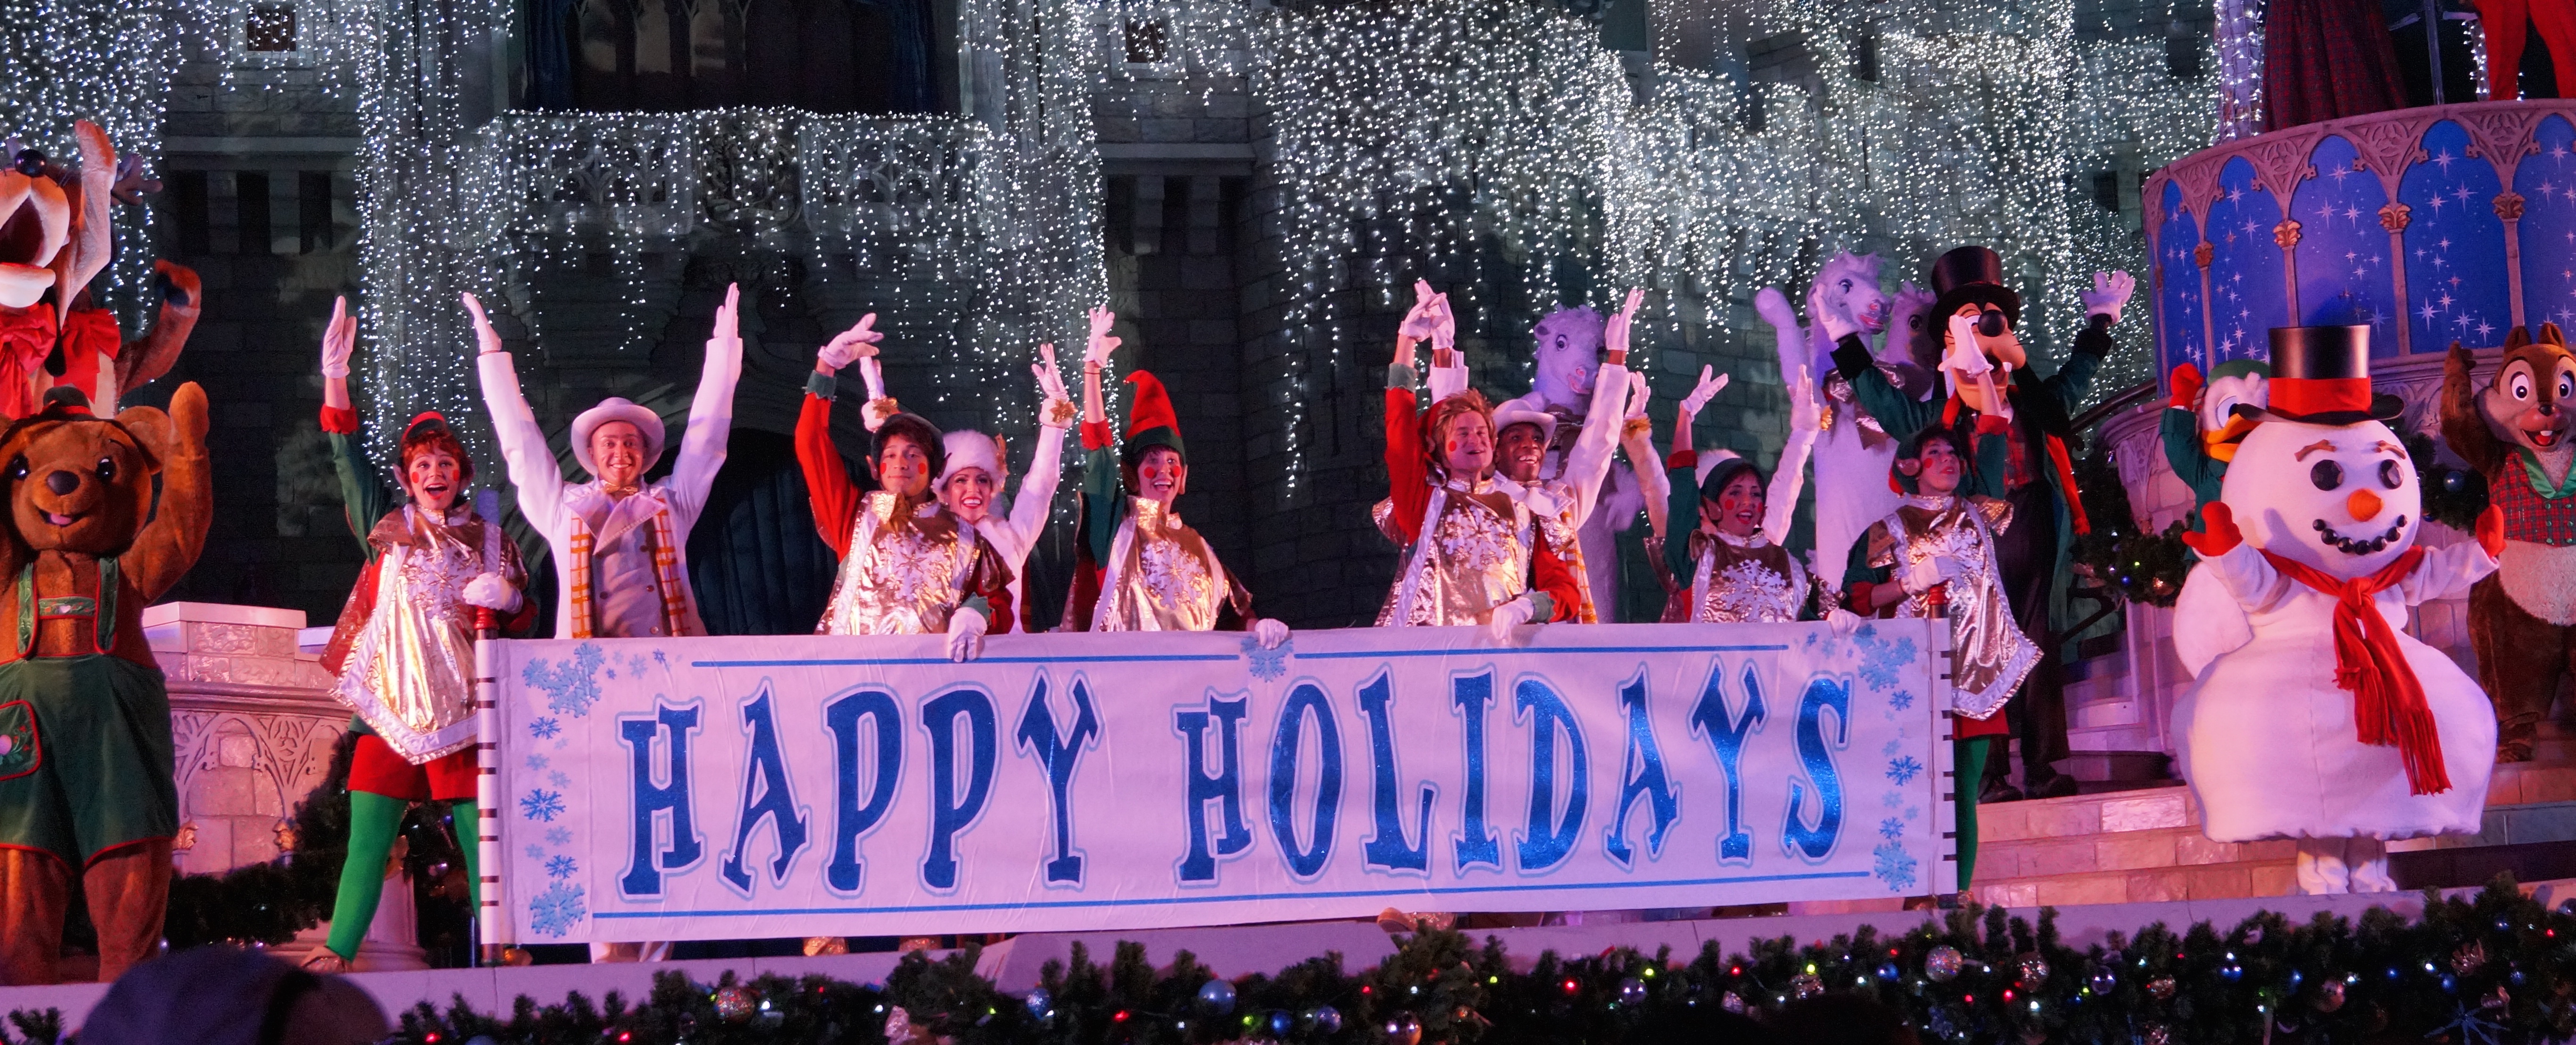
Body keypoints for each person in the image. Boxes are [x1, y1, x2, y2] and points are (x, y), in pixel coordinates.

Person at [470, 287, 742, 962]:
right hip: (589, 685)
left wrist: (724, 349)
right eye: (608, 443)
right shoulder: (564, 506)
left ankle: (660, 962)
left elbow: (707, 438)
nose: (620, 451)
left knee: (671, 813)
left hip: (666, 681)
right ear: (592, 454)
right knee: (602, 816)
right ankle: (609, 960)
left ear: (645, 453)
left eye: (630, 443)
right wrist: (493, 356)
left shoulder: (670, 503)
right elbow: (521, 446)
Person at [1830, 247, 2133, 802]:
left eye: (1989, 321)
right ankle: (1989, 772)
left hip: (2033, 520)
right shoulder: (1940, 414)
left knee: (2036, 640)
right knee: (1980, 643)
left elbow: (2073, 381)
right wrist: (1845, 341)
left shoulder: (2030, 400)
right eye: (1967, 322)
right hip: (1972, 535)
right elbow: (1886, 404)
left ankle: (2042, 766)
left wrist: (2100, 321)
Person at [311, 297, 534, 972]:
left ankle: (504, 947)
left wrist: (510, 597)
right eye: (422, 468)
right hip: (387, 707)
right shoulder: (388, 527)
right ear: (407, 479)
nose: (434, 476)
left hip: (462, 711)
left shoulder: (490, 537)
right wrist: (336, 378)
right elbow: (346, 457)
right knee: (368, 840)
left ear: (461, 474)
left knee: (478, 840)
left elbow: (523, 621)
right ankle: (338, 951)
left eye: (444, 465)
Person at [1844, 421, 2030, 897]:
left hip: (1975, 673)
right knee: (1917, 794)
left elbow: (1993, 441)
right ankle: (1917, 896)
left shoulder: (1979, 512)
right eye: (1935, 453)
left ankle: (1955, 897)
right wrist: (1909, 583)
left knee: (1962, 794)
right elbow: (1856, 598)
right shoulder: (1888, 530)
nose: (1948, 459)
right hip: (1914, 678)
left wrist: (1984, 389)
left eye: (1953, 452)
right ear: (1910, 466)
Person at [1062, 307, 1285, 644]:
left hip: (1190, 676)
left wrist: (1262, 629)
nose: (1164, 470)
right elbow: (1100, 453)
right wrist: (1092, 370)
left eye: (1172, 461)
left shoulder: (1200, 548)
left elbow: (1236, 616)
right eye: (1152, 461)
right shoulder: (1116, 527)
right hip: (1123, 672)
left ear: (1184, 476)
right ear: (1132, 474)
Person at [799, 314, 1015, 657]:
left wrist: (975, 613)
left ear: (937, 469)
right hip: (855, 672)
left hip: (929, 678)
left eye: (914, 455)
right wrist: (826, 367)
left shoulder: (967, 536)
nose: (901, 463)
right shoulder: (856, 517)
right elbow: (811, 445)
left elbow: (996, 600)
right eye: (892, 455)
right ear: (875, 467)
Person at [1374, 291, 1583, 637]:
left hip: (1499, 657)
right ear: (1438, 447)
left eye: (1483, 432)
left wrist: (1530, 607)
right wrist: (1407, 341)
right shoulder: (1424, 501)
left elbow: (1566, 592)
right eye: (1463, 433)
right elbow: (1399, 430)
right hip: (1429, 658)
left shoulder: (1524, 508)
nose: (1477, 440)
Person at [1490, 287, 1651, 623]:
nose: (1530, 445)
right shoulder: (1483, 501)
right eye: (1516, 437)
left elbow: (1598, 445)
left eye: (1538, 438)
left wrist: (1617, 357)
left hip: (1561, 619)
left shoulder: (1561, 505)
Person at [1657, 367, 1837, 624]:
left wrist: (1837, 624)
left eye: (1755, 494)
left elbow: (1810, 625)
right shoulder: (1698, 555)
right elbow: (1683, 493)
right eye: (1735, 492)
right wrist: (1684, 417)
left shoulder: (1785, 562)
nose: (1748, 502)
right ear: (1712, 506)